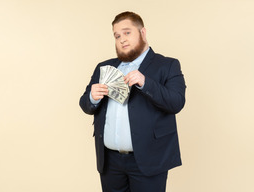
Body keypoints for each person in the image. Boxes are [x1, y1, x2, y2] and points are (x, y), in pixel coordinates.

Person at [79, 11, 186, 192]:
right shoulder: (104, 67)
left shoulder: (168, 65)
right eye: (117, 35)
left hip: (149, 160)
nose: (122, 39)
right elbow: (85, 105)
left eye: (127, 32)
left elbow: (176, 102)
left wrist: (146, 83)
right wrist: (92, 97)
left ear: (142, 33)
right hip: (110, 162)